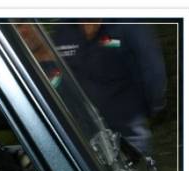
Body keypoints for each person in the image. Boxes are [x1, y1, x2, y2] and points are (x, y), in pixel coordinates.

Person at [52, 21, 167, 156]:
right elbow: (57, 74)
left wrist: (151, 108)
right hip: (85, 139)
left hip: (128, 136)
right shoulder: (64, 30)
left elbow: (152, 71)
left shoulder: (127, 25)